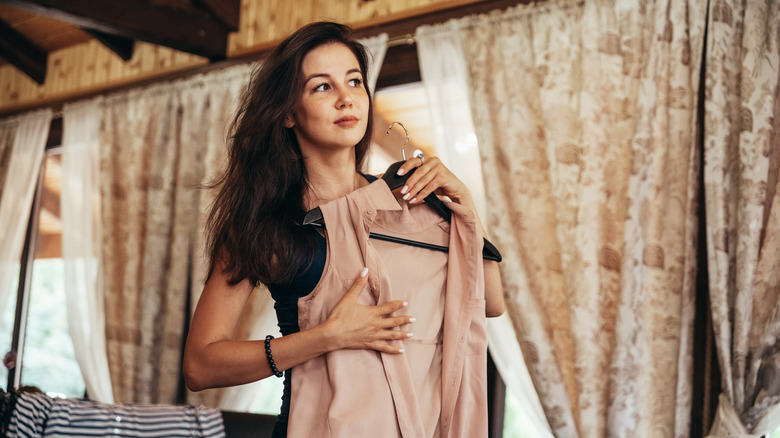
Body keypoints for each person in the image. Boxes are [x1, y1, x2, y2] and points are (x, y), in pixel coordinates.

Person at [183, 21, 505, 437]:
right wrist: (328, 336)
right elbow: (200, 366)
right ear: (286, 113)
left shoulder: (413, 202)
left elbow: (490, 301)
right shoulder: (266, 225)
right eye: (322, 87)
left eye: (354, 82)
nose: (345, 98)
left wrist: (465, 207)